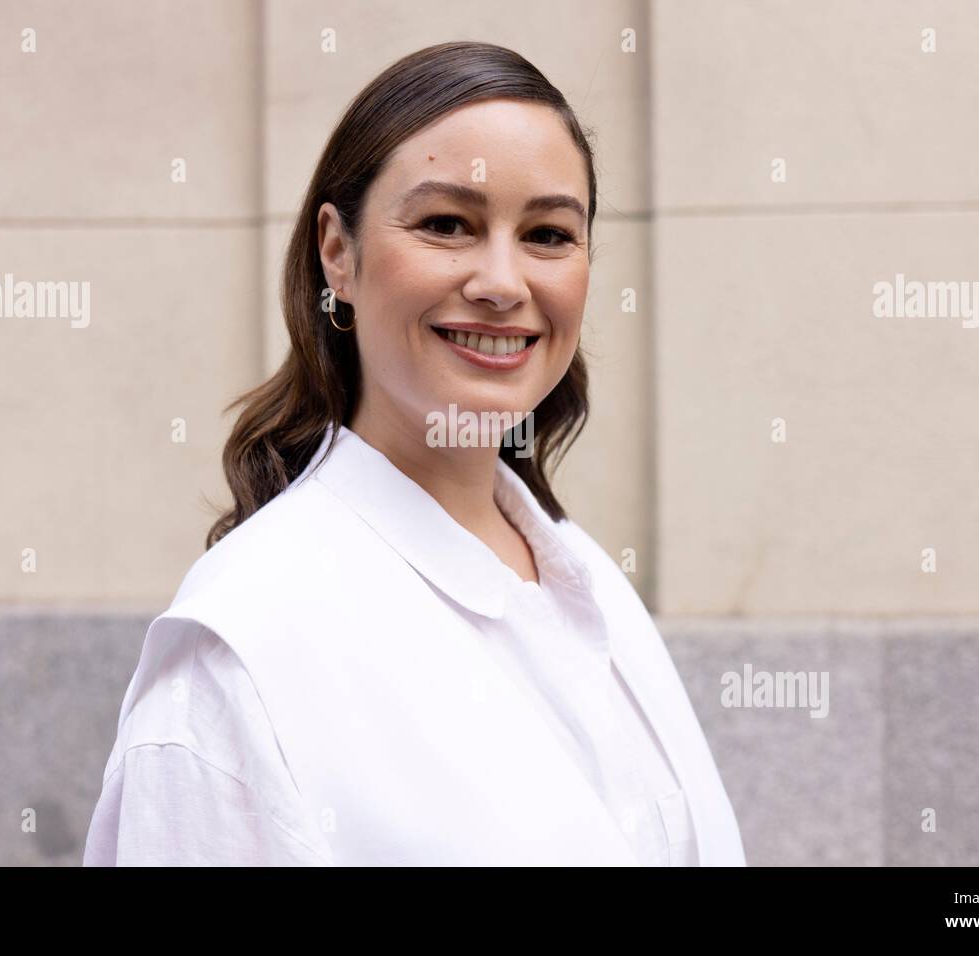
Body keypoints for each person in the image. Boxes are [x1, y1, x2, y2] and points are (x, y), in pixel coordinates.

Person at [83, 40, 745, 866]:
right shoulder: (240, 657)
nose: (504, 284)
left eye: (546, 234)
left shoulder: (588, 583)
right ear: (338, 254)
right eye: (446, 224)